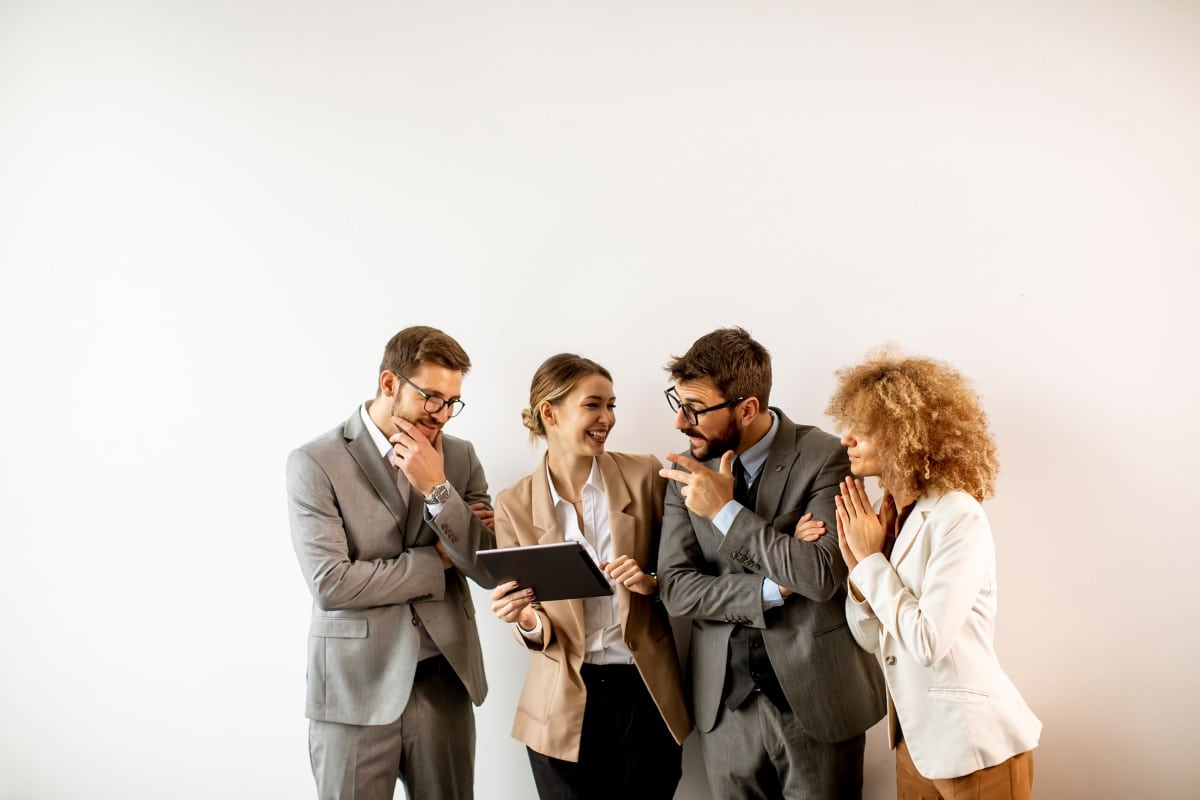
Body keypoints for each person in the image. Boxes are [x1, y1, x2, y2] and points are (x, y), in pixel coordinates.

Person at [656, 327, 886, 799]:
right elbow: (677, 589)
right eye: (677, 404)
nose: (681, 422)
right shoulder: (682, 470)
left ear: (747, 408)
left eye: (695, 409)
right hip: (725, 710)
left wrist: (725, 512)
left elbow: (821, 575)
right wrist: (776, 583)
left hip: (818, 700)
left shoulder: (825, 456)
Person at [286, 325, 497, 800]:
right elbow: (332, 583)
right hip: (352, 688)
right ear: (389, 384)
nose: (442, 415)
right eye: (431, 398)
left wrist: (439, 489)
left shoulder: (459, 459)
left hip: (445, 680)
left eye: (452, 401)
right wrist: (436, 559)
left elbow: (485, 568)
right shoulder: (314, 462)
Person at [829, 350, 1042, 800]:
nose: (846, 438)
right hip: (915, 745)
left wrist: (872, 564)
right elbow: (873, 641)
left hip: (973, 749)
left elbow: (928, 641)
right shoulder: (890, 516)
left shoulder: (957, 514)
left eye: (863, 428)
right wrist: (860, 573)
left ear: (903, 432)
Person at [488, 353, 692, 800]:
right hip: (561, 703)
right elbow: (537, 622)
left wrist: (649, 581)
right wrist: (523, 618)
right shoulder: (514, 504)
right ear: (550, 413)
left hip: (645, 692)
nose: (608, 419)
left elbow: (686, 568)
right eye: (594, 405)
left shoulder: (644, 476)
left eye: (612, 406)